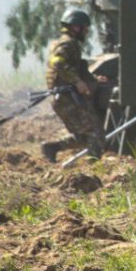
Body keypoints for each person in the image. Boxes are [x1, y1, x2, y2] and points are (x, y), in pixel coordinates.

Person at [40, 9, 107, 162]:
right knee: (95, 135)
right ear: (76, 27)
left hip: (66, 97)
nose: (86, 32)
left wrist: (94, 80)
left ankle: (52, 147)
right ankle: (94, 169)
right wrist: (77, 81)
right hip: (66, 98)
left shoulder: (69, 43)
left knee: (86, 136)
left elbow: (77, 68)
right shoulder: (67, 43)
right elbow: (57, 62)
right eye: (85, 28)